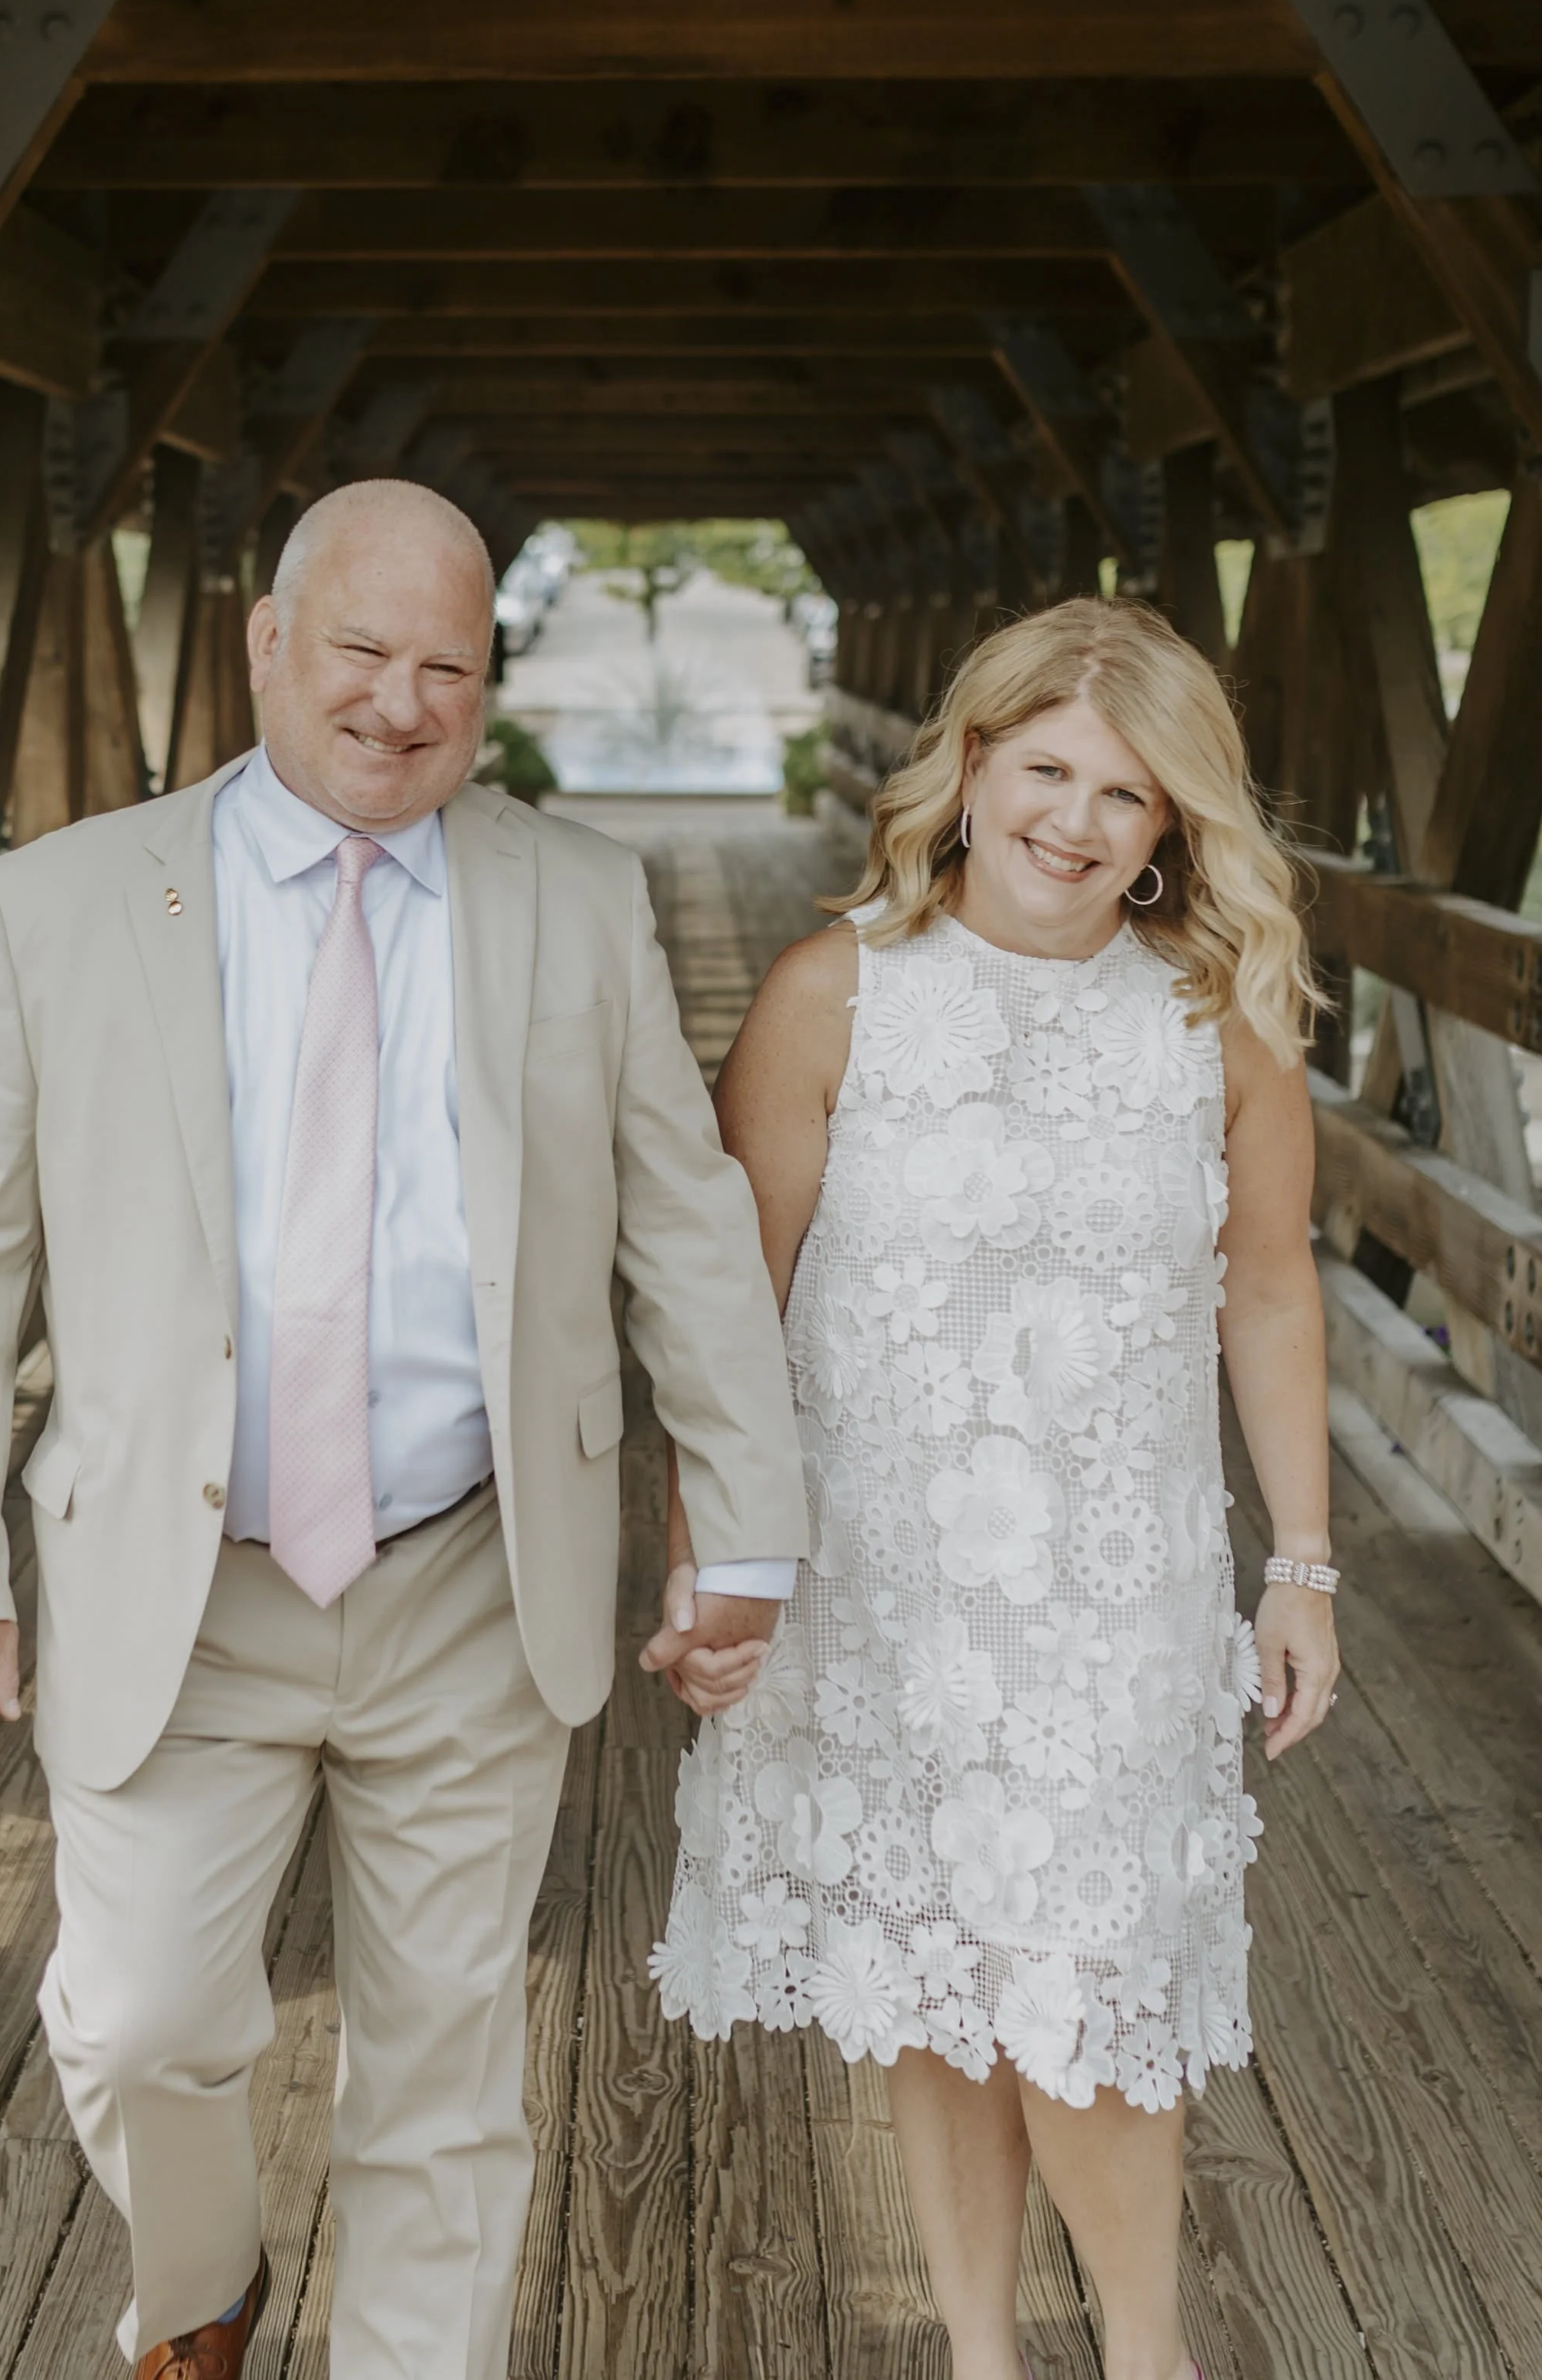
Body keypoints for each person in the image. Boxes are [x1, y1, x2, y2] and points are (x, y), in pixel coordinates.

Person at [0, 481, 807, 2380]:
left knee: (445, 2072)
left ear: (488, 679)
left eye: (446, 665)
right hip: (178, 1576)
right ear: (265, 645)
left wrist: (746, 1514)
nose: (399, 703)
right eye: (362, 652)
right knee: (138, 2022)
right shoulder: (56, 903)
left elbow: (684, 1221)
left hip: (472, 1563)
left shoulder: (577, 894)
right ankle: (199, 2294)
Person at [652, 598, 1340, 2380]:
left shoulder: (1215, 1024)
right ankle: (976, 2352)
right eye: (1046, 767)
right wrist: (706, 1568)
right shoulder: (832, 996)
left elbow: (1265, 1288)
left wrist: (1306, 1564)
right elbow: (730, 1307)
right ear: (965, 767)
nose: (1079, 820)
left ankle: (1142, 2353)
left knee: (1091, 1988)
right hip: (885, 1589)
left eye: (1131, 792)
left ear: (1176, 822)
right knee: (937, 1991)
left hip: (1115, 1595)